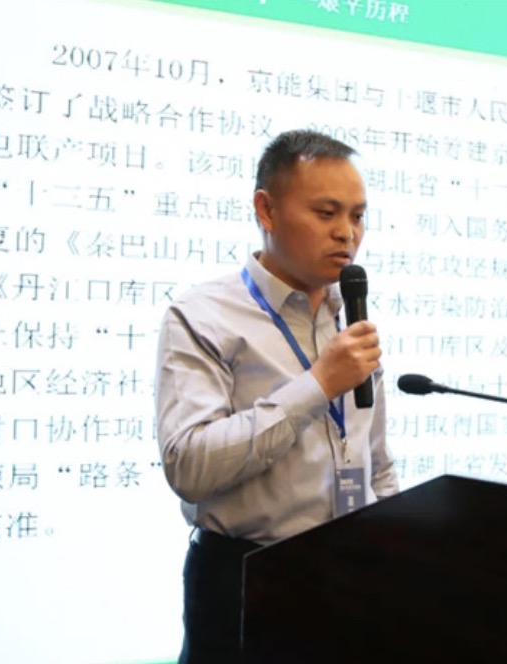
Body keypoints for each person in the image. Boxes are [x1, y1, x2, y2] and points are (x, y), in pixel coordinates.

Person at [154, 129, 399, 663]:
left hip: (351, 578)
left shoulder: (348, 318)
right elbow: (188, 464)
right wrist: (317, 385)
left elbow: (376, 463)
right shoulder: (202, 316)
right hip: (245, 581)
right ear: (266, 210)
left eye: (358, 216)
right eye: (326, 212)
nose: (347, 233)